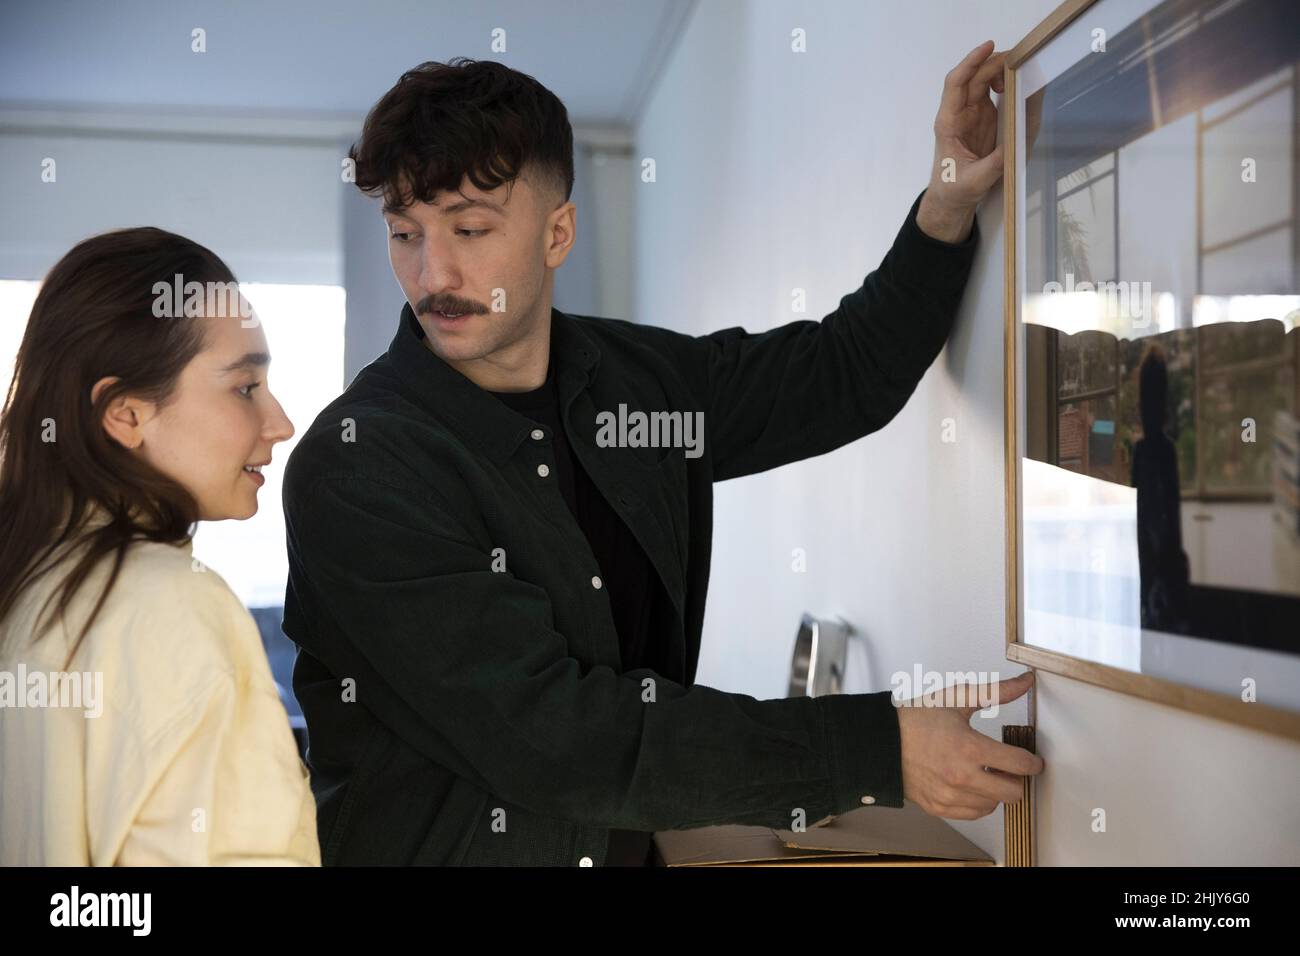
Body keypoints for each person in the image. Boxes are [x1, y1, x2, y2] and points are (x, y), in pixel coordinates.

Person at [283, 44, 1042, 867]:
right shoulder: (360, 466)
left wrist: (947, 205)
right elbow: (556, 736)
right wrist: (874, 751)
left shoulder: (643, 388)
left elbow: (839, 376)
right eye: (404, 234)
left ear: (558, 233)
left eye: (469, 228)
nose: (432, 274)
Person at [0, 227, 320, 865]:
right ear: (125, 414)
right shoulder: (170, 602)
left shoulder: (29, 586)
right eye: (245, 387)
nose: (282, 422)